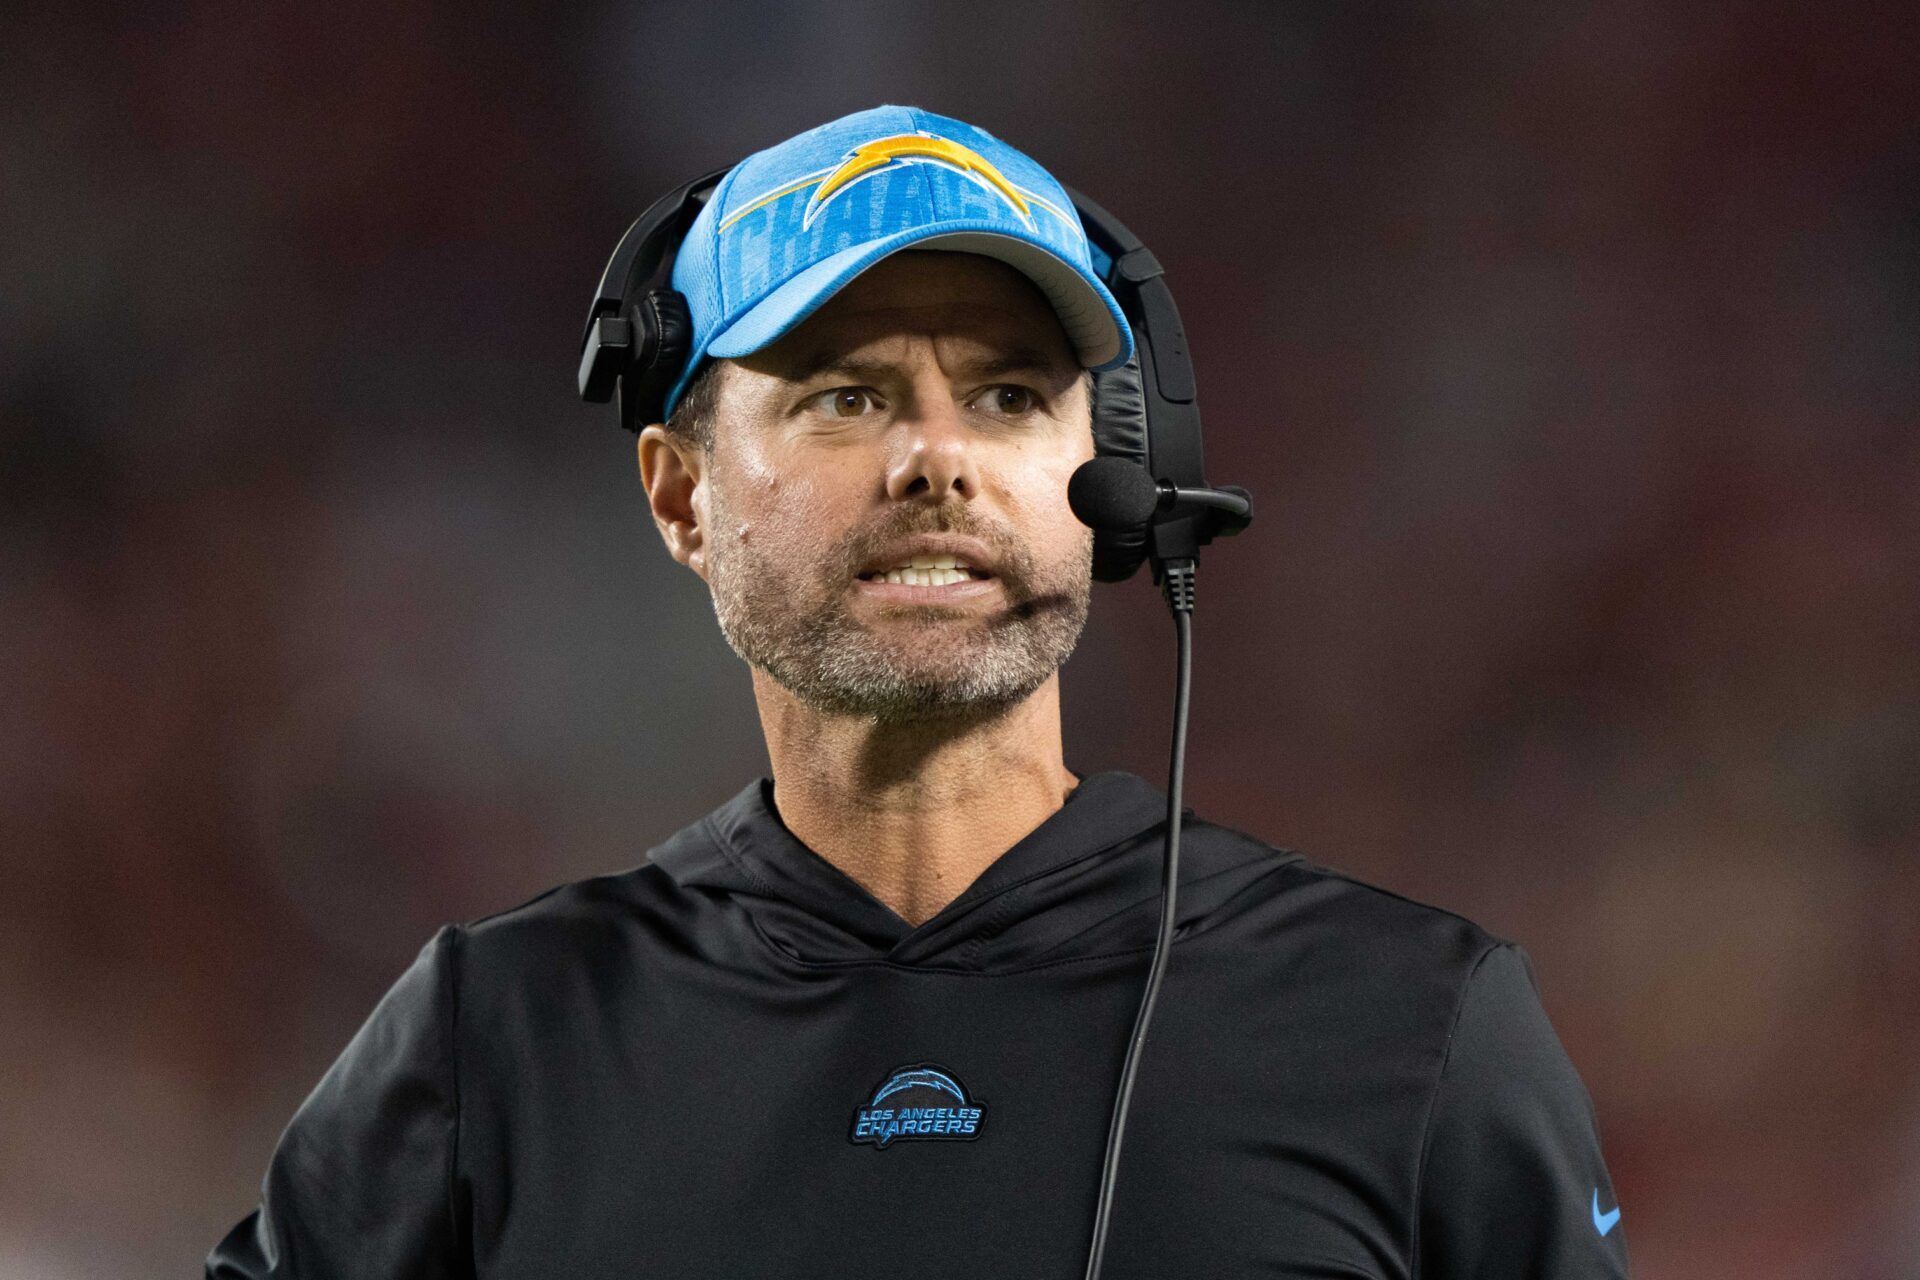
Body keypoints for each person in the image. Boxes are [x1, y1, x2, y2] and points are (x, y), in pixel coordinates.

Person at [207, 104, 1631, 1279]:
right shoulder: (494, 1039)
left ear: (1114, 478)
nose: (938, 459)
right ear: (678, 491)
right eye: (848, 394)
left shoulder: (1413, 1022)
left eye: (1011, 395)